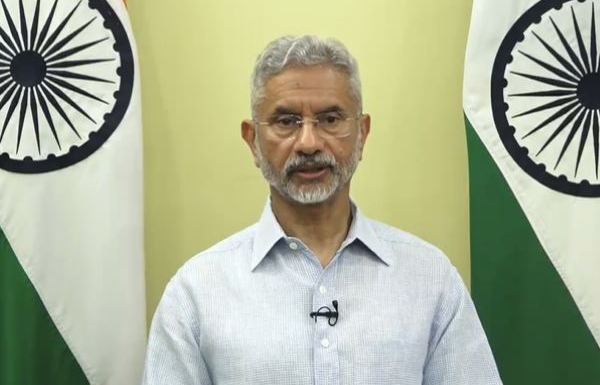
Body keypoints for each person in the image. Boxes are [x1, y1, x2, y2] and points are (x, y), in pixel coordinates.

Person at [141, 35, 502, 385]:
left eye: (330, 119)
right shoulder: (197, 293)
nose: (309, 143)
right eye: (286, 122)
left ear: (362, 134)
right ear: (253, 141)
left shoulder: (430, 280)